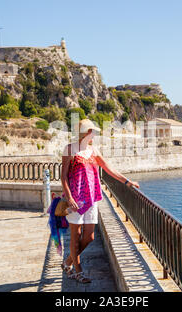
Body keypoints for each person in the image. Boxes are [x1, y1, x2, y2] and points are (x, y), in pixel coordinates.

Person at [60, 119, 140, 283]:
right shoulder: (69, 149)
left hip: (90, 198)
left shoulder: (93, 150)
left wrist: (127, 181)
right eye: (92, 131)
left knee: (89, 237)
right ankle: (78, 271)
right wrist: (69, 197)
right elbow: (63, 176)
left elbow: (108, 168)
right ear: (85, 132)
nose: (95, 134)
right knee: (76, 236)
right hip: (75, 200)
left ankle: (68, 262)